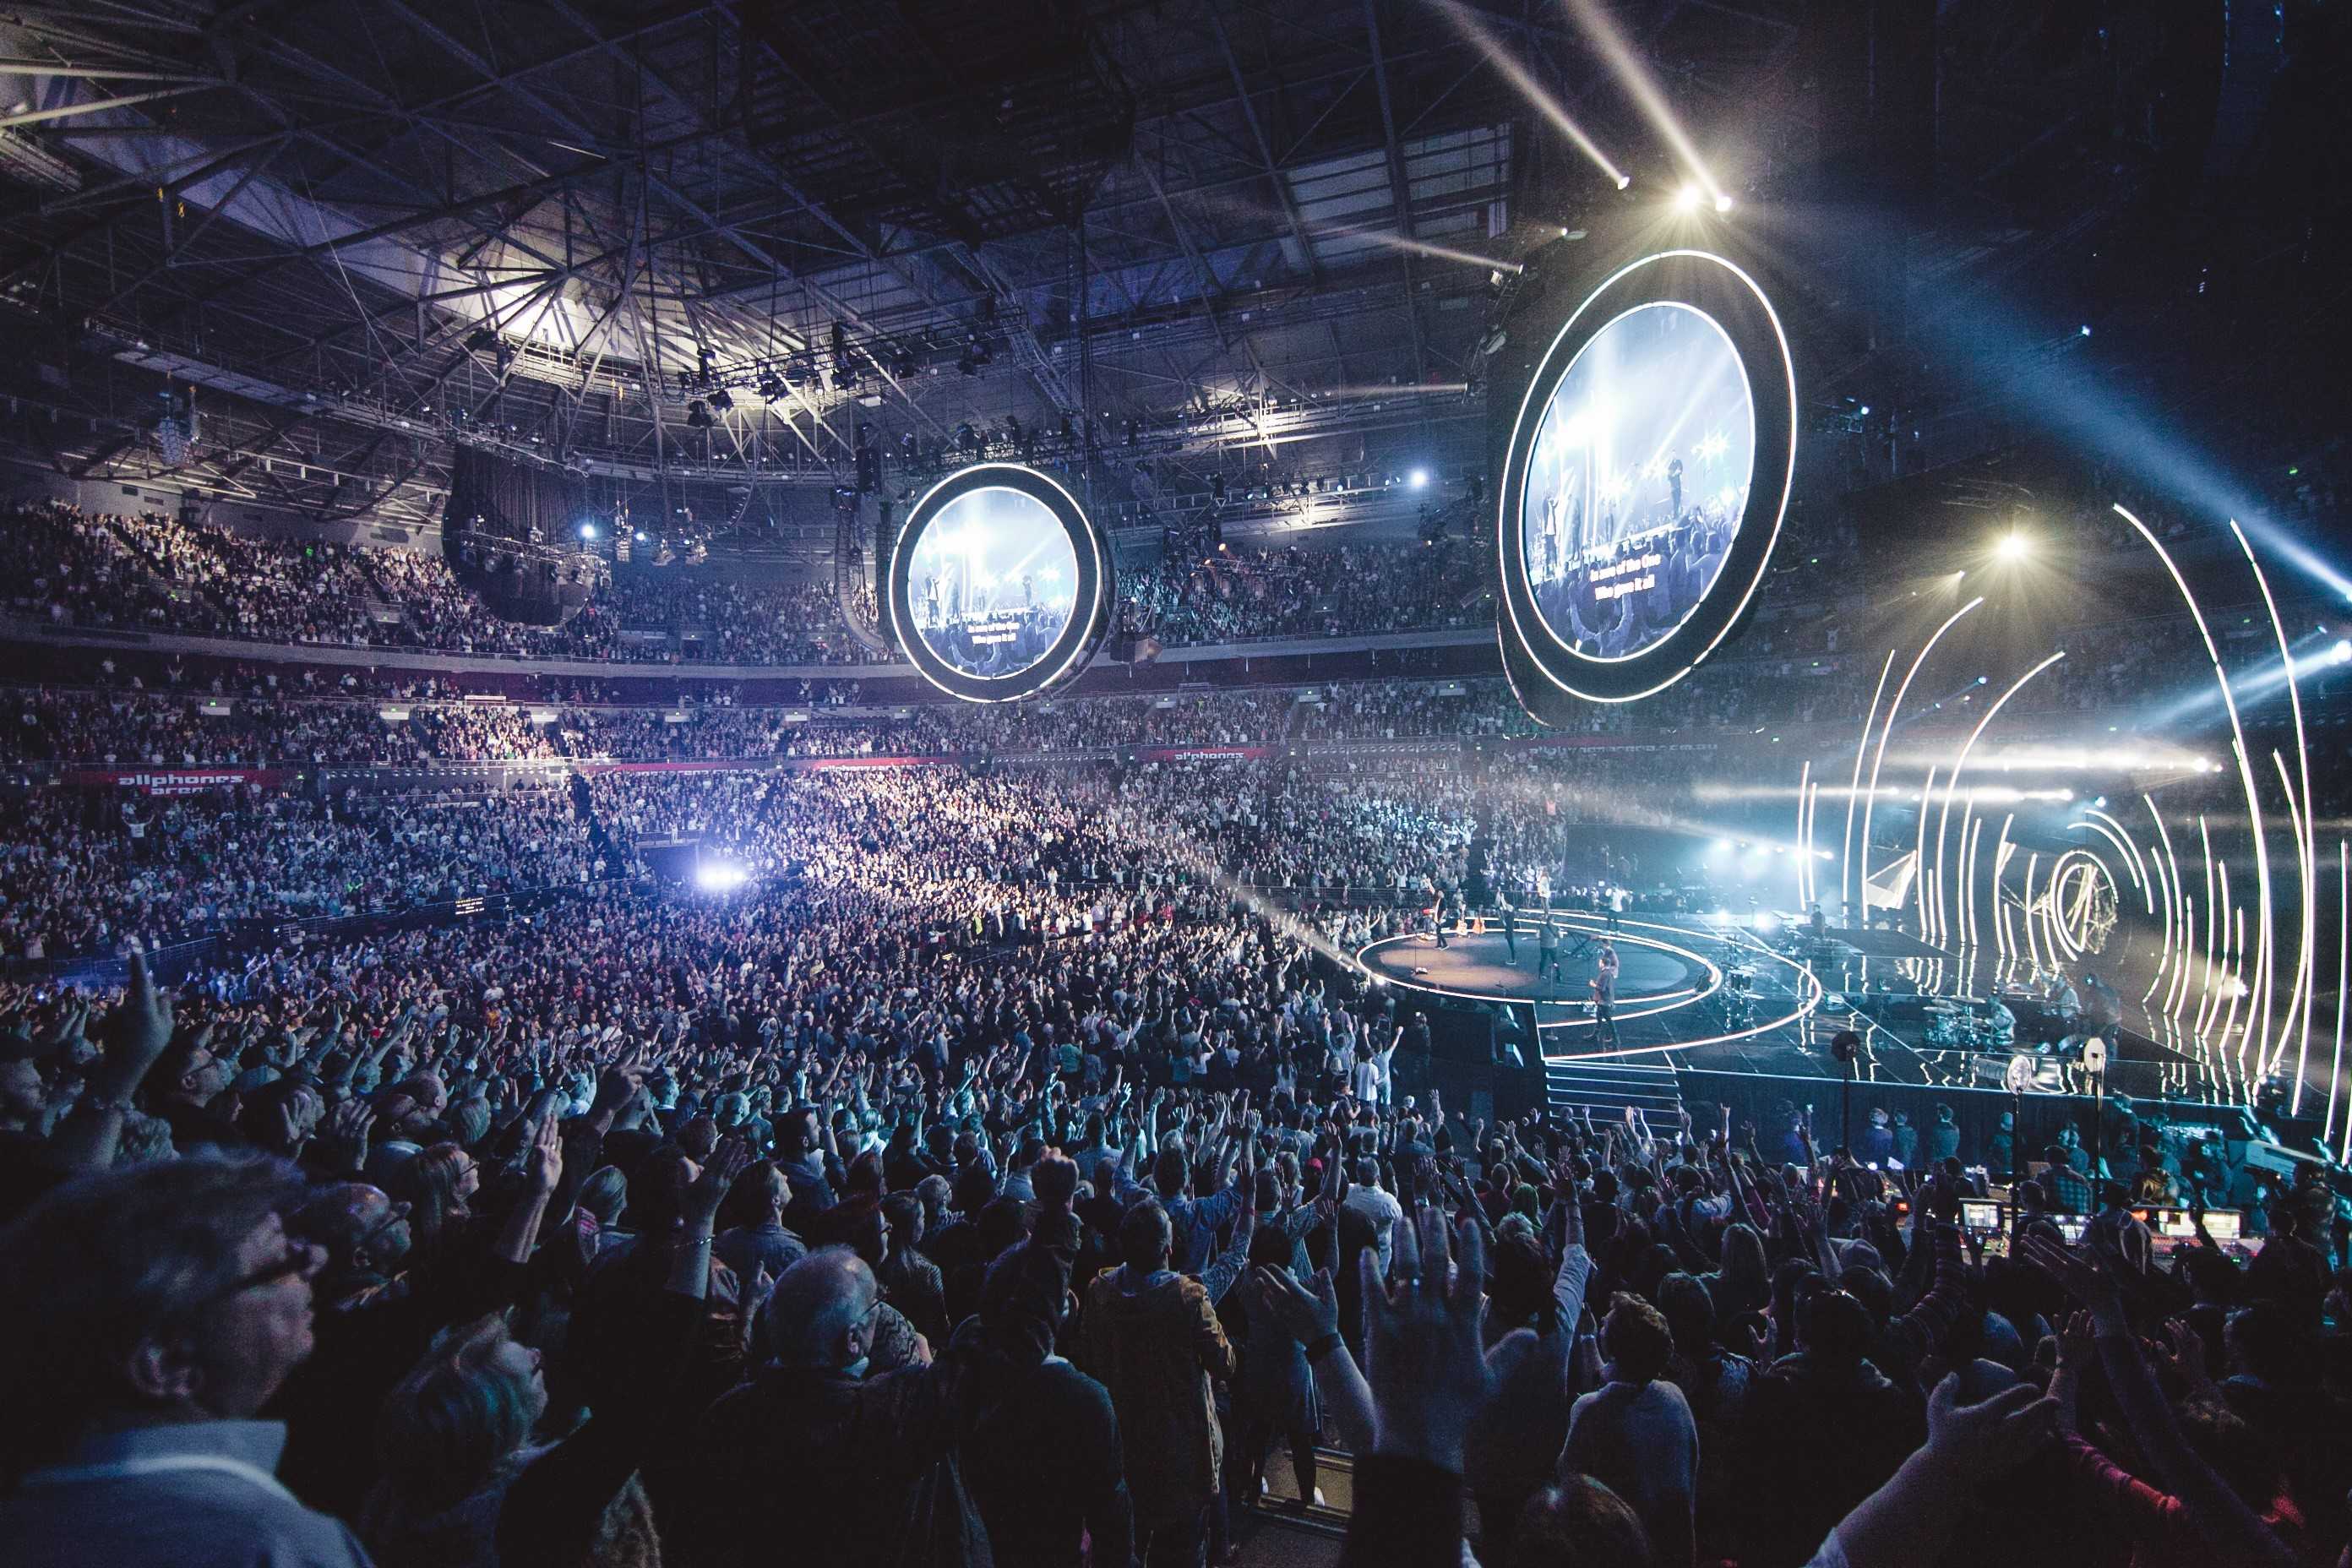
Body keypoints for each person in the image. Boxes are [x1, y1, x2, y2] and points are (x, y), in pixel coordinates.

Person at [0, 1152, 371, 1568]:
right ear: (167, 1362)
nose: (317, 1258)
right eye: (281, 1258)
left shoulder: (29, 1507)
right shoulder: (276, 1545)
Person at [1080, 1197, 1237, 1566]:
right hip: (1179, 1442)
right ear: (1168, 1249)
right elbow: (1226, 1363)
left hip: (1122, 1432)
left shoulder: (1099, 1290)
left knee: (1128, 1538)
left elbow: (1087, 1353)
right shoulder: (1188, 1297)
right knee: (1183, 1546)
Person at [1561, 1293, 1698, 1567]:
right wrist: (1589, 1339)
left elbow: (1568, 1480)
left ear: (1614, 1345)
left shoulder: (1589, 1410)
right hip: (1675, 1549)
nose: (1602, 1318)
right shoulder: (1675, 1398)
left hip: (1621, 1553)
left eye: (1607, 1321)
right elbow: (1619, 1381)